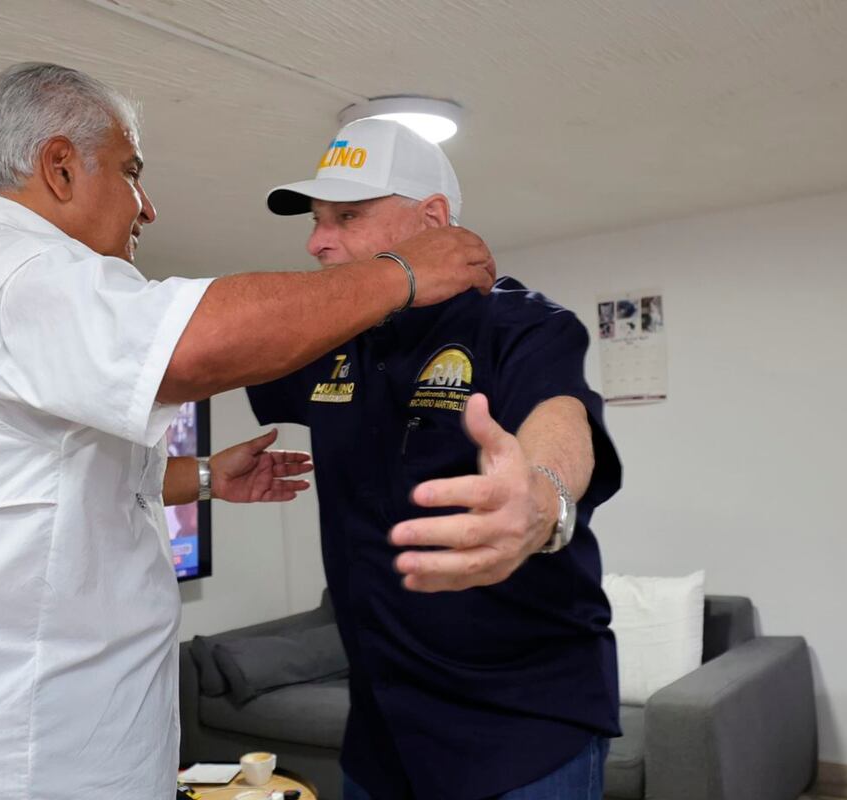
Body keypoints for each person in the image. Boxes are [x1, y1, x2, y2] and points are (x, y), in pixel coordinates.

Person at [0, 64, 496, 800]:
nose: (148, 208)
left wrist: (204, 478)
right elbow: (196, 346)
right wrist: (400, 273)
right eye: (131, 173)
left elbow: (39, 483)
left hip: (10, 737)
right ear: (59, 167)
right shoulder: (23, 275)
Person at [248, 118, 623, 800]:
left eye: (348, 217)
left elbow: (561, 419)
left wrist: (539, 500)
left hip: (520, 734)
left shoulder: (522, 323)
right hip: (381, 735)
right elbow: (214, 355)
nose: (316, 240)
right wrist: (207, 476)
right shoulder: (332, 339)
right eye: (316, 219)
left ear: (433, 219)